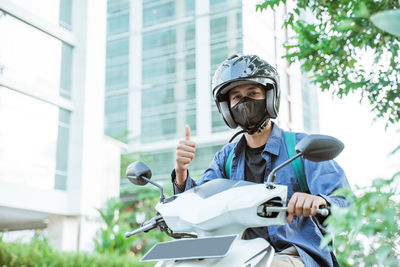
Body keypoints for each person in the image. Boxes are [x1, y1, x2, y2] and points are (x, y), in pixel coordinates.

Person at [171, 54, 350, 267]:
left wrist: (320, 201)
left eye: (253, 93)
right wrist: (181, 171)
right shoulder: (225, 159)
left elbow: (346, 203)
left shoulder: (300, 148)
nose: (244, 102)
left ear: (270, 97)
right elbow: (198, 204)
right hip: (238, 256)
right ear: (227, 108)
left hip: (293, 256)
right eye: (236, 97)